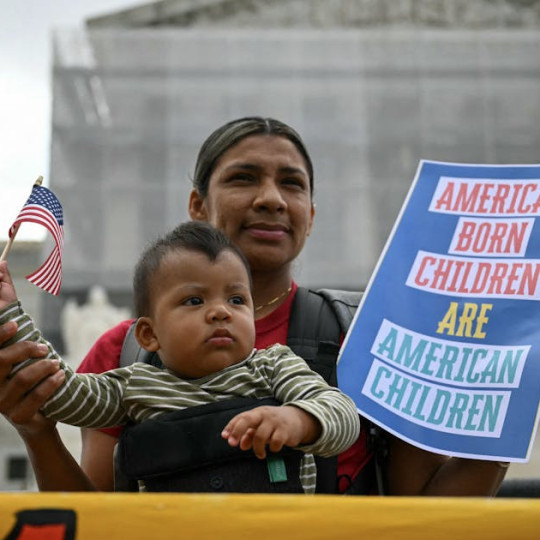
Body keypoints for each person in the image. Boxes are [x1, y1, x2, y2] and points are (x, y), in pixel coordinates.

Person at [0, 116, 508, 495]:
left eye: (292, 183)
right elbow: (95, 515)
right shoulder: (124, 355)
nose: (271, 198)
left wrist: (507, 402)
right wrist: (35, 426)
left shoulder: (371, 339)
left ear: (310, 214)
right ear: (197, 205)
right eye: (244, 178)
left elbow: (420, 520)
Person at [0, 222, 360, 493]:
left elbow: (342, 413)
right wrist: (8, 315)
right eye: (194, 300)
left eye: (236, 300)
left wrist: (297, 418)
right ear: (149, 334)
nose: (220, 312)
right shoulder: (134, 385)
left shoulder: (275, 366)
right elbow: (60, 393)